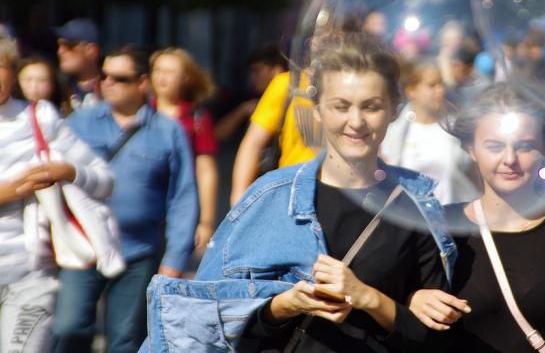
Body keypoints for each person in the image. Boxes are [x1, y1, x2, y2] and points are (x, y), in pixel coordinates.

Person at [139, 32, 461, 353]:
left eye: (372, 107)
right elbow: (213, 326)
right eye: (341, 106)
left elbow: (431, 338)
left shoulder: (414, 205)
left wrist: (368, 298)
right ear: (317, 109)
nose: (356, 121)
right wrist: (284, 305)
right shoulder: (270, 196)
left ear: (393, 110)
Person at [409, 82, 545, 352]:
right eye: (494, 146)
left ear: (544, 148)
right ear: (471, 148)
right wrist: (412, 299)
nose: (509, 159)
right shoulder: (440, 227)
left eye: (525, 146)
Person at [52, 45, 199, 353]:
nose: (108, 83)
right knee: (68, 329)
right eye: (104, 76)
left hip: (138, 252)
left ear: (142, 83)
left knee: (125, 340)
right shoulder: (79, 123)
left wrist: (174, 259)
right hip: (84, 248)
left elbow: (183, 197)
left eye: (119, 78)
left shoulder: (167, 131)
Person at [0, 36, 114, 353]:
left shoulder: (40, 118)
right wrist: (7, 192)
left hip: (31, 277)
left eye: (1, 66)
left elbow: (104, 180)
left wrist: (69, 171)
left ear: (13, 72)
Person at [150, 47, 219, 252]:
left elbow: (206, 171)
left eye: (170, 72)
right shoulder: (140, 112)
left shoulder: (197, 117)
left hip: (179, 209)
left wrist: (206, 222)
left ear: (186, 78)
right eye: (157, 70)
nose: (162, 77)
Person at [382, 59, 477, 204]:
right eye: (432, 85)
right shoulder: (393, 133)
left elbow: (473, 178)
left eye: (441, 84)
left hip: (453, 217)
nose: (440, 91)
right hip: (409, 219)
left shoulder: (456, 128)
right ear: (411, 91)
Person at [229, 53, 317, 205]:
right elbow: (252, 144)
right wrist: (239, 201)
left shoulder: (362, 83)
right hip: (292, 193)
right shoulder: (287, 84)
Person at [214, 44, 286, 141]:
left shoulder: (290, 103)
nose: (252, 76)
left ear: (277, 71)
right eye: (251, 71)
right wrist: (242, 111)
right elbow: (216, 134)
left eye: (258, 70)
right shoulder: (251, 100)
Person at [54, 18, 102, 110]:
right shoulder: (54, 88)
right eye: (59, 45)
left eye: (69, 45)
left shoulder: (110, 86)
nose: (60, 51)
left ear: (91, 51)